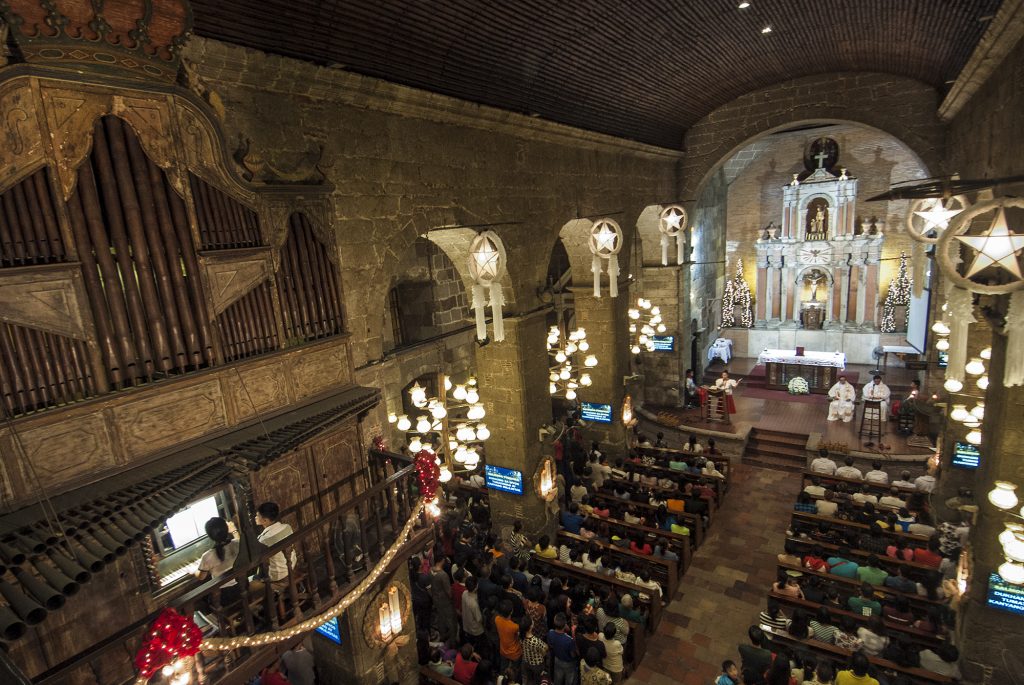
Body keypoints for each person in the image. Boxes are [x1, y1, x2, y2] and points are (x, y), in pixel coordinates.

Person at [195, 517, 241, 605]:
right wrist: (234, 530)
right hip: (242, 586)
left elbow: (201, 577)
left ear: (210, 536)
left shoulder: (207, 556)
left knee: (204, 600)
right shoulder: (237, 544)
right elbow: (238, 540)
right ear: (226, 530)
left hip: (223, 596)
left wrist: (194, 571)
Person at [253, 502, 297, 592]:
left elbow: (254, 557)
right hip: (292, 565)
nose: (255, 518)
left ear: (265, 520)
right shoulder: (287, 527)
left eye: (257, 516)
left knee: (255, 578)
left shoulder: (263, 540)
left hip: (279, 575)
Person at [547, 612, 578, 685]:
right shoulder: (569, 640)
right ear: (565, 625)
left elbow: (550, 645)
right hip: (568, 663)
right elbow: (573, 654)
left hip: (557, 659)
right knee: (569, 680)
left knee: (557, 678)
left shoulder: (550, 633)